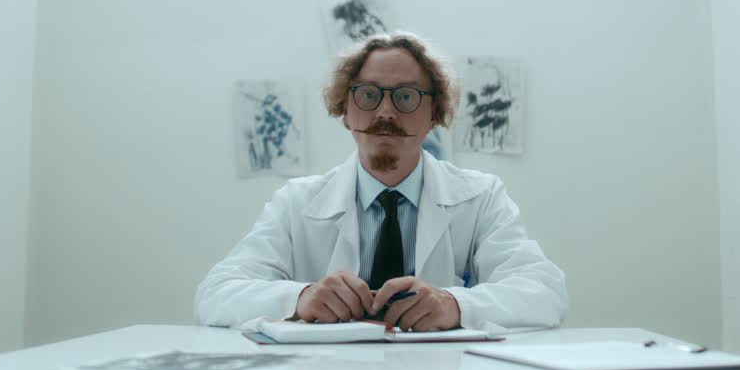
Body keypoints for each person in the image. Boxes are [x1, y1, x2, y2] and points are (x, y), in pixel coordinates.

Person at [195, 32, 567, 332]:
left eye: (406, 96)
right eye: (368, 95)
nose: (385, 112)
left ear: (434, 114)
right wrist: (300, 298)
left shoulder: (481, 197)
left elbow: (544, 292)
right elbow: (216, 293)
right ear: (344, 110)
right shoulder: (296, 202)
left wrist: (455, 305)